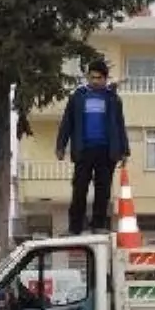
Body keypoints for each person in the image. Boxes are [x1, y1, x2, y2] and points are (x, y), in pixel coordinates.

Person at [55, 58, 130, 235]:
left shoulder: (113, 99)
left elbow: (120, 125)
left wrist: (124, 151)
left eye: (99, 78)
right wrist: (60, 145)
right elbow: (67, 122)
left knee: (103, 190)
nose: (95, 81)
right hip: (84, 150)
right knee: (79, 189)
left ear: (105, 78)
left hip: (106, 151)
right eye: (92, 77)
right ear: (88, 77)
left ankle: (99, 225)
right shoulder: (78, 97)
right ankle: (74, 227)